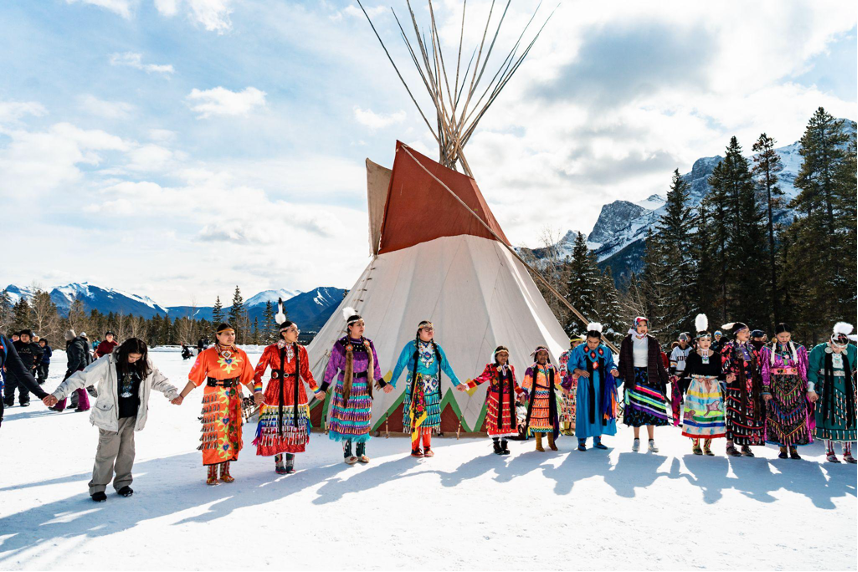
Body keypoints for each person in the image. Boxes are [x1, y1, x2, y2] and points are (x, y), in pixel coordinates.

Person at [43, 339, 182, 502]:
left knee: (127, 452)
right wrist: (58, 394)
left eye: (138, 357)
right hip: (109, 416)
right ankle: (98, 487)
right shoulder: (107, 362)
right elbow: (82, 377)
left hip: (131, 416)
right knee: (106, 453)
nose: (135, 360)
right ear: (124, 352)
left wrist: (172, 393)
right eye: (132, 357)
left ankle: (123, 483)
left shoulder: (145, 364)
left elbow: (159, 380)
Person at [177, 323, 255, 485]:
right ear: (217, 336)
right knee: (214, 434)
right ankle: (212, 473)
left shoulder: (240, 354)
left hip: (234, 397)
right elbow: (194, 379)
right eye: (226, 334)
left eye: (233, 333)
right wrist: (181, 396)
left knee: (230, 433)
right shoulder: (207, 354)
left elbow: (247, 378)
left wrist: (257, 394)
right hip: (214, 397)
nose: (230, 337)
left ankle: (225, 472)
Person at [252, 310, 324, 475]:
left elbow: (306, 373)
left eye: (297, 330)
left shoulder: (302, 350)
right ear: (283, 333)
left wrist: (316, 390)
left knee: (293, 424)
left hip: (296, 391)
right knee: (277, 425)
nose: (297, 333)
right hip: (276, 390)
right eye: (293, 330)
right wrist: (257, 392)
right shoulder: (271, 350)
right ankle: (278, 462)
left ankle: (290, 461)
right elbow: (258, 372)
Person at [388, 321, 465, 458]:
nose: (430, 331)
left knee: (429, 415)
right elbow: (400, 365)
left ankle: (427, 447)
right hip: (416, 385)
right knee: (416, 415)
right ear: (419, 331)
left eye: (432, 329)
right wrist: (392, 383)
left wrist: (456, 382)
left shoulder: (437, 347)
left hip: (432, 385)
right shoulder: (411, 346)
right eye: (426, 329)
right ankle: (415, 447)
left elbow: (445, 366)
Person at [323, 308, 383, 465]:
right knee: (347, 417)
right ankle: (348, 453)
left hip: (363, 386)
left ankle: (361, 451)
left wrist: (381, 381)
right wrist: (324, 386)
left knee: (362, 418)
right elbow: (331, 367)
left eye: (363, 324)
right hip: (346, 386)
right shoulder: (341, 344)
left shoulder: (368, 343)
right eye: (358, 324)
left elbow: (375, 364)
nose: (362, 327)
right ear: (350, 327)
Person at [760, 323, 813, 460]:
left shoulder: (799, 348)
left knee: (796, 416)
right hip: (776, 386)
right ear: (775, 335)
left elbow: (804, 367)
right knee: (779, 416)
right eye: (781, 336)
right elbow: (765, 369)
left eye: (787, 336)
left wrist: (807, 387)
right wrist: (766, 389)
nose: (784, 339)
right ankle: (782, 447)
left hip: (795, 386)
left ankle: (794, 447)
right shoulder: (767, 349)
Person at [617, 317, 671, 453]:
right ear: (635, 326)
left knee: (650, 408)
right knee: (636, 409)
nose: (642, 328)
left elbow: (659, 361)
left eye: (644, 325)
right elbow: (622, 361)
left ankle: (651, 441)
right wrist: (619, 374)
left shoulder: (652, 341)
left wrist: (665, 377)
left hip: (650, 378)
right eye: (640, 325)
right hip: (634, 377)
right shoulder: (627, 341)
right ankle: (636, 440)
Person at [807, 322, 857, 464]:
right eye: (835, 346)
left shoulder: (852, 350)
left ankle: (847, 452)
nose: (839, 350)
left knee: (848, 418)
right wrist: (811, 389)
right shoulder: (820, 350)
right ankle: (830, 452)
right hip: (826, 387)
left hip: (847, 388)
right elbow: (812, 370)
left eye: (842, 347)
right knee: (828, 417)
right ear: (830, 342)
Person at [568, 324, 621, 452]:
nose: (592, 345)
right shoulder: (579, 350)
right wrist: (579, 371)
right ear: (586, 339)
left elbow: (609, 364)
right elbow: (571, 364)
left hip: (601, 386)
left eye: (595, 342)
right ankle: (582, 441)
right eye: (590, 342)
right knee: (584, 411)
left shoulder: (605, 351)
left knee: (599, 411)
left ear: (600, 341)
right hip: (585, 387)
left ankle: (597, 440)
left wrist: (613, 370)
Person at [465, 346, 525, 455]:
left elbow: (514, 383)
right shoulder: (491, 368)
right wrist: (467, 386)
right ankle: (496, 443)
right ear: (496, 356)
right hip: (496, 399)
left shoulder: (510, 368)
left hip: (508, 399)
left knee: (506, 421)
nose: (503, 357)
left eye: (505, 355)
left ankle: (504, 442)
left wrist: (521, 393)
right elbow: (481, 378)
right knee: (496, 421)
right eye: (501, 355)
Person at [681, 315, 726, 456]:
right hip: (696, 387)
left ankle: (707, 445)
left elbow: (720, 372)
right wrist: (676, 376)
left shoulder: (717, 356)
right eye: (703, 340)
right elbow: (686, 371)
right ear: (698, 341)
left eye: (708, 340)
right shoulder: (693, 355)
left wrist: (728, 377)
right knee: (696, 414)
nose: (706, 343)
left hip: (713, 387)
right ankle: (696, 445)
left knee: (711, 414)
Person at [720, 322, 766, 457]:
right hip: (736, 385)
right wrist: (728, 374)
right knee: (734, 412)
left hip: (752, 386)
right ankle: (730, 444)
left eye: (748, 331)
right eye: (744, 332)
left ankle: (745, 444)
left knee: (749, 413)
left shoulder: (751, 348)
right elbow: (724, 364)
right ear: (736, 333)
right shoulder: (729, 346)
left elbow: (758, 364)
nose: (748, 334)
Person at [521, 345, 564, 452]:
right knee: (537, 421)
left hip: (549, 397)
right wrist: (523, 395)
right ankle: (538, 444)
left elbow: (558, 382)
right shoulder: (531, 369)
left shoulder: (552, 368)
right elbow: (525, 384)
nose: (543, 356)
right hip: (536, 398)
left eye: (545, 354)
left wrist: (567, 384)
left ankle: (551, 443)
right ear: (536, 355)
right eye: (540, 354)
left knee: (550, 420)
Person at [1, 334, 48, 429]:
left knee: (22, 387)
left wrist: (42, 394)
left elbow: (22, 372)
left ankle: (24, 400)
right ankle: (9, 401)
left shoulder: (3, 341)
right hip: (9, 375)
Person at [51, 330, 92, 413]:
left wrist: (71, 370)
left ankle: (60, 406)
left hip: (77, 368)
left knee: (66, 386)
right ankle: (84, 405)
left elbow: (78, 359)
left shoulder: (75, 344)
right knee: (78, 387)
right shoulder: (77, 343)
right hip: (79, 368)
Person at [4, 329, 43, 408]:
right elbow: (6, 354)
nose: (24, 338)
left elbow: (41, 353)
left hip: (26, 369)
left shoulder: (33, 346)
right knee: (9, 386)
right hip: (12, 369)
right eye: (22, 336)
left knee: (25, 386)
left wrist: (36, 363)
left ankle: (24, 400)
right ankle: (8, 401)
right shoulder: (14, 344)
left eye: (26, 336)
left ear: (30, 337)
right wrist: (5, 365)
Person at [558, 336, 584, 436]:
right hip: (569, 383)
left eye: (581, 342)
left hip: (580, 383)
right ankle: (566, 427)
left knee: (578, 405)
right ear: (573, 343)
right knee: (567, 404)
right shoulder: (565, 355)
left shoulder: (583, 354)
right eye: (578, 342)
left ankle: (576, 425)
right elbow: (562, 369)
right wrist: (568, 378)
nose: (580, 344)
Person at [670, 333, 693, 425]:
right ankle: (677, 414)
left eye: (684, 340)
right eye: (681, 340)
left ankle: (689, 413)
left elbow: (692, 361)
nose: (683, 342)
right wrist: (672, 372)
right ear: (679, 341)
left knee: (689, 392)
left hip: (688, 375)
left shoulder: (690, 350)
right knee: (678, 393)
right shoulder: (675, 350)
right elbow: (673, 361)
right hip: (678, 374)